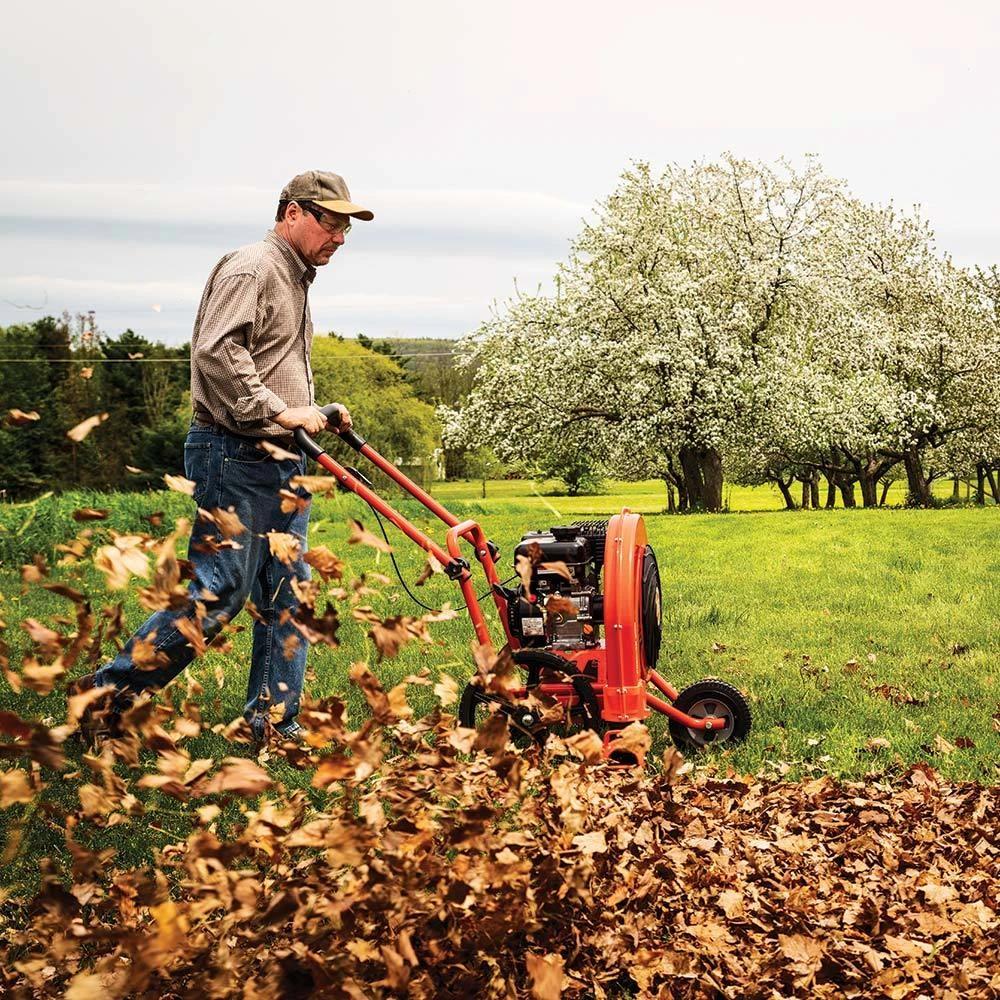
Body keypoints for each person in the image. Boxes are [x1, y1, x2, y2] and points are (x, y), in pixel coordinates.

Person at [71, 170, 374, 743]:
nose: (339, 238)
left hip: (279, 457)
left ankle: (272, 722)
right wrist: (279, 411)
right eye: (330, 224)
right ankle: (105, 697)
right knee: (219, 593)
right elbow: (216, 351)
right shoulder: (253, 267)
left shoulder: (295, 278)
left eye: (345, 229)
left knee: (289, 593)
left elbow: (268, 362)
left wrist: (314, 409)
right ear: (292, 212)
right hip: (236, 454)